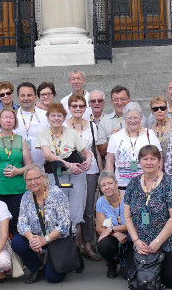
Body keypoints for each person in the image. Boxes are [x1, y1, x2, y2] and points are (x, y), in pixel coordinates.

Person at [124, 145, 172, 288]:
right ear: (139, 162)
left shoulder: (170, 184)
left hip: (169, 241)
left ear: (159, 161)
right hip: (142, 242)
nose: (149, 162)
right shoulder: (133, 184)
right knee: (128, 274)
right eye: (145, 159)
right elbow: (127, 216)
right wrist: (136, 241)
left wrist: (157, 241)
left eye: (153, 159)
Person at [38, 102, 93, 254]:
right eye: (53, 115)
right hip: (56, 175)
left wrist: (89, 159)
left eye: (59, 116)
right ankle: (58, 252)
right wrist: (68, 165)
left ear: (64, 118)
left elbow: (85, 151)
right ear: (48, 117)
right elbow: (47, 155)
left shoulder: (71, 133)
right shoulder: (43, 133)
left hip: (76, 175)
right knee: (57, 212)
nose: (56, 118)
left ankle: (75, 252)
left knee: (76, 213)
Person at [10, 165, 73, 284]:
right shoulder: (26, 196)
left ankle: (59, 261)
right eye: (29, 180)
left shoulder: (56, 194)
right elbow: (21, 224)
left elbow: (64, 224)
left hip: (57, 238)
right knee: (17, 242)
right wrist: (31, 238)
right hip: (36, 238)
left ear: (43, 178)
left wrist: (45, 240)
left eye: (36, 178)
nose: (33, 182)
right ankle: (37, 268)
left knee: (53, 278)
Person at [0, 108, 32, 235]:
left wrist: (18, 171)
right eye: (5, 117)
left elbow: (29, 165)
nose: (8, 120)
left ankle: (15, 253)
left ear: (15, 121)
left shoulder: (21, 140)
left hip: (17, 190)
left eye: (11, 117)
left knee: (15, 223)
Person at [66, 94, 103, 261]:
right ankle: (73, 245)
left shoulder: (93, 126)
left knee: (88, 210)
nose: (78, 108)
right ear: (69, 108)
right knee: (73, 210)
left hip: (90, 170)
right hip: (71, 171)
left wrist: (102, 173)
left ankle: (87, 244)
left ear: (85, 107)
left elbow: (96, 151)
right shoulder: (64, 126)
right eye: (74, 106)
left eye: (81, 105)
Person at [105, 102, 161, 189]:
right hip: (121, 185)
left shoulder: (149, 134)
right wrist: (110, 182)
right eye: (129, 118)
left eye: (135, 117)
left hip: (146, 184)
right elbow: (109, 161)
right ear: (124, 119)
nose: (132, 121)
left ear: (141, 118)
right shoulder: (115, 136)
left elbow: (159, 158)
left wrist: (157, 180)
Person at [95, 170, 130, 279]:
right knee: (103, 244)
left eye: (110, 183)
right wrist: (116, 234)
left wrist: (111, 229)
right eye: (103, 185)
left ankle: (124, 257)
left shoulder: (128, 197)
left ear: (116, 183)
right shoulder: (100, 202)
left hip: (132, 238)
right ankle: (111, 264)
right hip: (114, 238)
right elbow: (99, 228)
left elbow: (133, 224)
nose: (107, 187)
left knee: (127, 274)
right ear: (100, 189)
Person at [14, 82, 48, 167]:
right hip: (17, 169)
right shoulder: (11, 116)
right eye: (22, 95)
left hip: (42, 168)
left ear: (35, 97)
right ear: (18, 97)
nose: (26, 98)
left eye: (29, 95)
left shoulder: (46, 116)